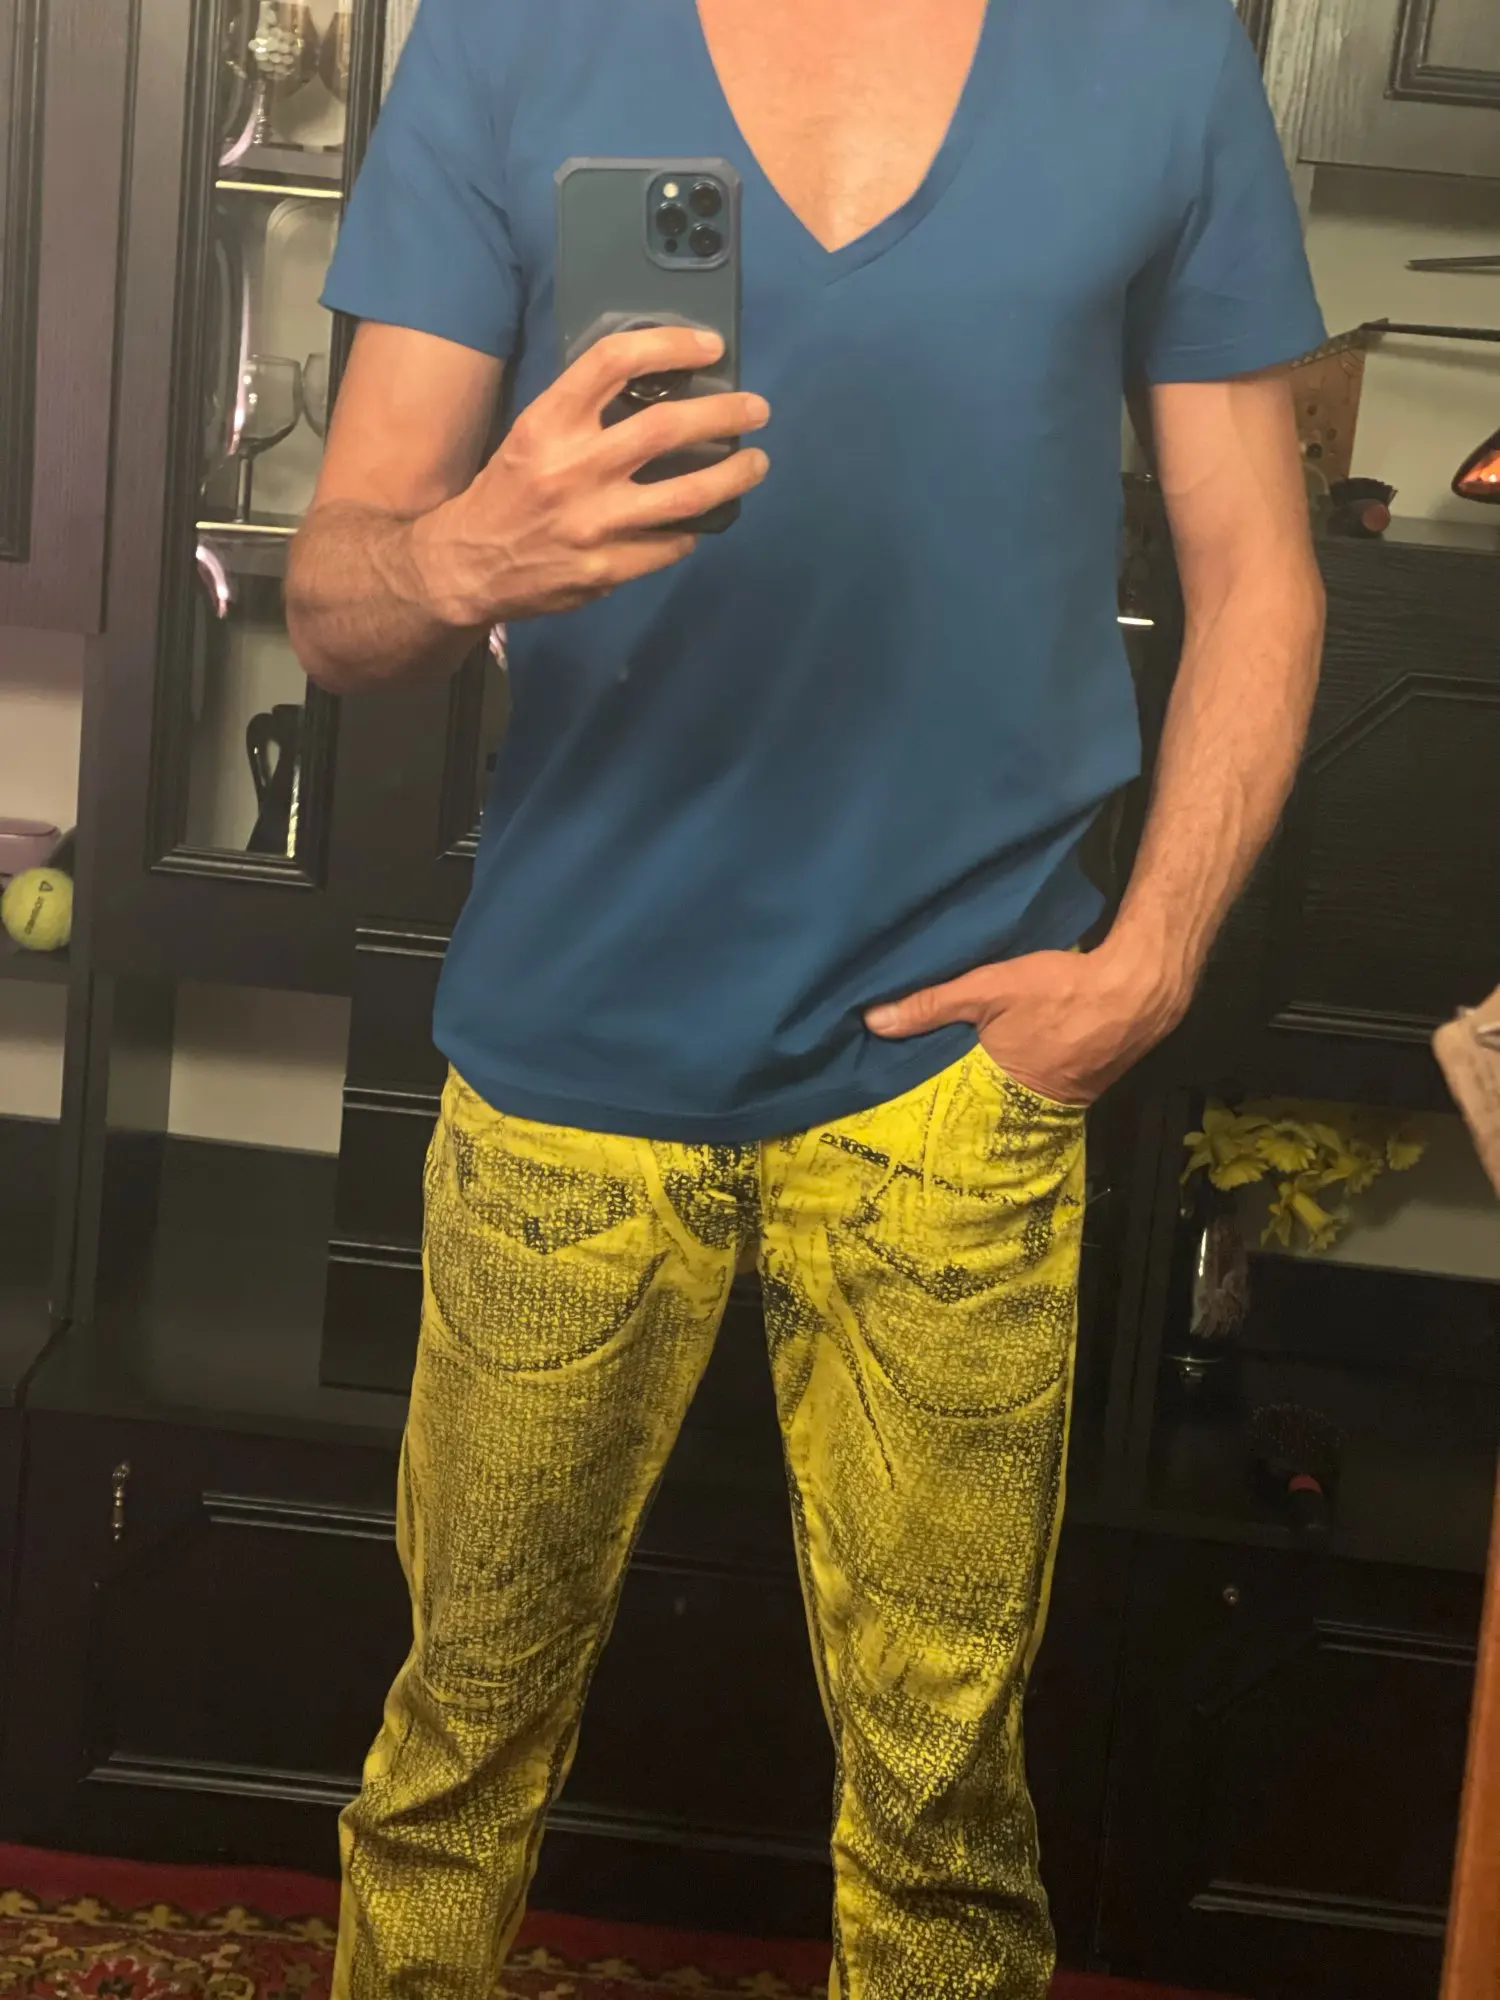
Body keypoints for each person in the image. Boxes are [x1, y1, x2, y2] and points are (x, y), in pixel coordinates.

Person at [288, 0, 1327, 1992]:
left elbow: (1260, 569)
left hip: (959, 1081)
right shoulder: (509, 38)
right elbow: (338, 594)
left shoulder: (1157, 52)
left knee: (945, 1823)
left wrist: (1149, 964)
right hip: (567, 1058)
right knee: (453, 1762)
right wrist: (466, 556)